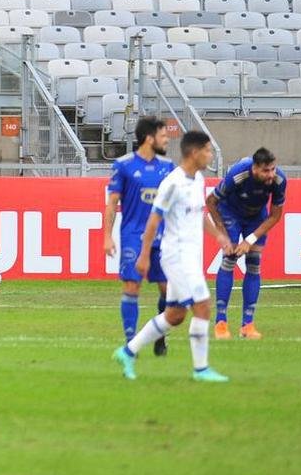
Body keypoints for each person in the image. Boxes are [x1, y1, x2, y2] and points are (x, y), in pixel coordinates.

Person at [112, 131, 234, 383]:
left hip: (190, 255)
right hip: (176, 256)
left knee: (175, 315)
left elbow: (199, 215)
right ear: (194, 152)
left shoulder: (198, 179)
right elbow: (154, 221)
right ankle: (201, 370)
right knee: (202, 305)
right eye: (208, 150)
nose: (211, 155)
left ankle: (127, 351)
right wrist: (144, 255)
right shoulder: (172, 183)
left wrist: (219, 236)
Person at [103, 116, 174, 357]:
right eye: (164, 136)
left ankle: (159, 335)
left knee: (167, 291)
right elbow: (112, 203)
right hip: (133, 236)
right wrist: (107, 236)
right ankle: (131, 343)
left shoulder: (168, 166)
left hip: (162, 237)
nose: (167, 140)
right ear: (149, 138)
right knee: (132, 286)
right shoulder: (123, 165)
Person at [207, 148, 287, 340]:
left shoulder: (279, 180)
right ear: (255, 169)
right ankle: (221, 323)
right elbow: (211, 201)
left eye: (273, 169)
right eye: (266, 171)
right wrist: (222, 232)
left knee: (254, 264)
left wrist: (249, 240)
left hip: (256, 217)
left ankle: (247, 325)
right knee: (230, 259)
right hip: (230, 213)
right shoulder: (238, 174)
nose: (271, 175)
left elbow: (276, 215)